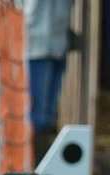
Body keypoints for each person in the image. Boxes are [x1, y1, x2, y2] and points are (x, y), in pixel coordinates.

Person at [24, 0, 74, 165]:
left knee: (48, 114)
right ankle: (36, 167)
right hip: (36, 46)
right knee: (38, 115)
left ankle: (44, 167)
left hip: (57, 43)